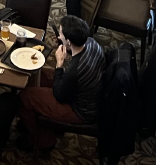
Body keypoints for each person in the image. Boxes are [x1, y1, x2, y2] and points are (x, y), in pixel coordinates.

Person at [16, 15, 104, 151]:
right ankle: (36, 119)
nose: (58, 36)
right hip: (87, 93)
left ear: (68, 42)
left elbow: (59, 95)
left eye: (61, 34)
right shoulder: (92, 43)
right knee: (35, 73)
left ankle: (45, 140)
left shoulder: (75, 70)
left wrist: (59, 65)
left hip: (80, 110)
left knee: (25, 97)